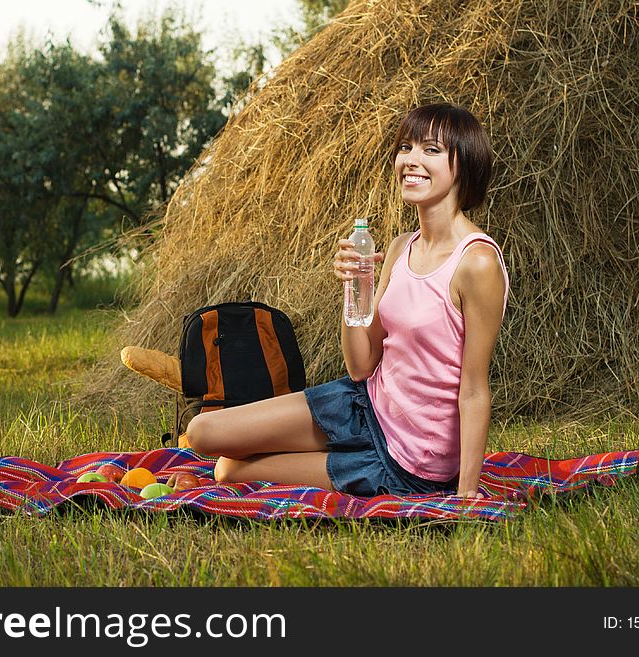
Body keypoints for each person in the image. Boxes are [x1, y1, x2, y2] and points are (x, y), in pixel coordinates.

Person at [185, 103, 509, 499]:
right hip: (364, 404)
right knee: (202, 432)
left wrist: (466, 491)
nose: (410, 160)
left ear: (465, 164)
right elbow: (361, 366)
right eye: (405, 147)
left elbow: (474, 388)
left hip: (406, 459)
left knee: (228, 470)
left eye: (431, 150)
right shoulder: (399, 247)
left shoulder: (477, 262)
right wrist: (355, 287)